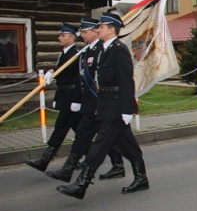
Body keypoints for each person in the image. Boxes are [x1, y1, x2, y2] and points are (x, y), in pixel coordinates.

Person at [56, 12, 148, 199]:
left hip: (115, 105)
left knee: (99, 144)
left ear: (111, 29)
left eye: (101, 27)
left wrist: (127, 109)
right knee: (127, 144)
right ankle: (141, 178)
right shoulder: (105, 49)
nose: (98, 29)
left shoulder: (118, 49)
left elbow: (126, 81)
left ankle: (81, 183)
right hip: (106, 103)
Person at [46, 18, 124, 183]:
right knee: (100, 134)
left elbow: (112, 78)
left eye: (85, 32)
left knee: (96, 135)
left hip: (100, 99)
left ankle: (75, 171)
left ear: (96, 31)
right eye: (81, 32)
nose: (82, 35)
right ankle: (117, 165)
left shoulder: (101, 50)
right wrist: (78, 99)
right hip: (89, 99)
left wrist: (126, 107)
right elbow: (81, 78)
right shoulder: (85, 52)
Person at [25, 23, 82, 173]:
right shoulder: (64, 53)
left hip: (72, 96)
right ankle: (104, 155)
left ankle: (45, 159)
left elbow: (77, 78)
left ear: (71, 37)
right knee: (81, 130)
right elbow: (62, 72)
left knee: (61, 127)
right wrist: (52, 71)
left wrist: (77, 99)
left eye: (63, 35)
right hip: (64, 95)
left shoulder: (76, 53)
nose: (59, 38)